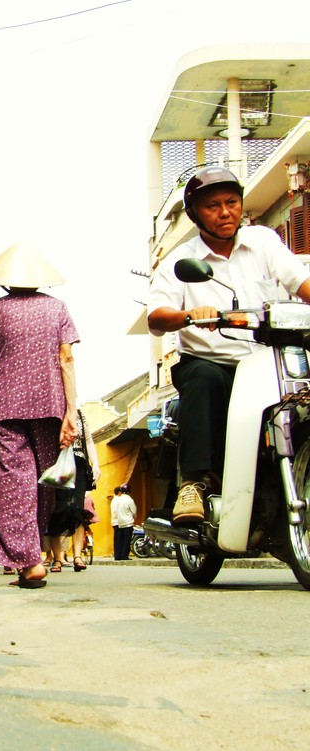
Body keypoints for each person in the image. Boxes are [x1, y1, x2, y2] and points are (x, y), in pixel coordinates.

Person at [148, 166, 310, 523]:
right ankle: (194, 483)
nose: (225, 212)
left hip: (267, 361)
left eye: (232, 202)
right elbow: (156, 317)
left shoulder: (264, 241)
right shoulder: (180, 259)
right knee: (204, 378)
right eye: (213, 205)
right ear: (195, 214)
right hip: (211, 363)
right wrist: (190, 314)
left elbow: (300, 282)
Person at [0, 245, 79, 589]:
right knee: (43, 479)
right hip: (49, 403)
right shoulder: (58, 309)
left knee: (12, 480)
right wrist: (71, 411)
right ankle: (35, 554)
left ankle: (29, 560)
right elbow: (67, 360)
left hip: (3, 406)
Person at [48, 409, 99, 573]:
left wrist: (95, 464)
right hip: (58, 464)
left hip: (79, 464)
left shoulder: (80, 414)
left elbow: (89, 440)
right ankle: (57, 559)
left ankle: (77, 556)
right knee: (57, 510)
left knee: (78, 510)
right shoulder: (52, 411)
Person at [114, 484, 136, 560]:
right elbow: (134, 511)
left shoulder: (118, 500)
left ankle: (118, 555)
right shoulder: (129, 500)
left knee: (119, 540)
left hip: (120, 523)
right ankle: (124, 556)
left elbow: (115, 511)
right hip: (128, 523)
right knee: (126, 540)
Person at [110, 486, 122, 556]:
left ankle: (117, 552)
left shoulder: (114, 500)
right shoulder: (117, 500)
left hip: (115, 521)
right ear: (119, 492)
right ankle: (118, 553)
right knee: (118, 539)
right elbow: (117, 511)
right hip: (118, 521)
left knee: (116, 538)